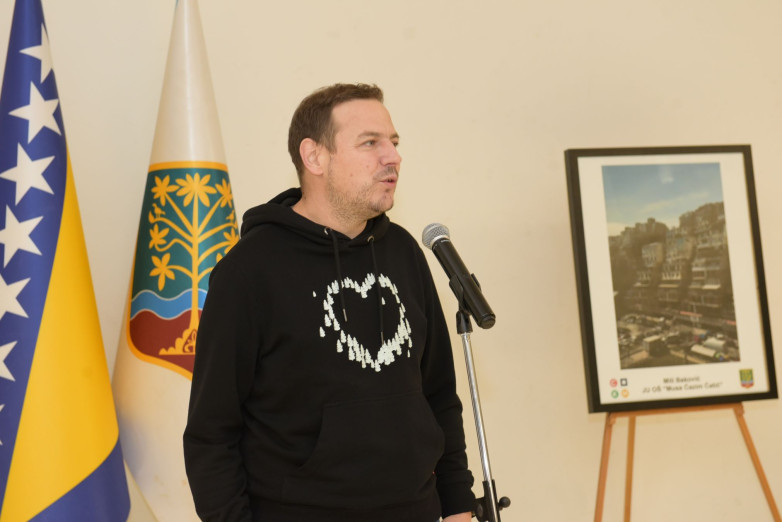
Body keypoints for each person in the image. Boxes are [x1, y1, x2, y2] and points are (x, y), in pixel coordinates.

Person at [183, 83, 475, 522]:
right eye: (370, 143)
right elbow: (211, 434)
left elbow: (438, 396)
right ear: (315, 157)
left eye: (394, 142)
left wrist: (458, 506)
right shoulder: (249, 270)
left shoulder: (404, 253)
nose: (393, 157)